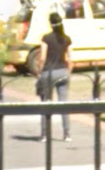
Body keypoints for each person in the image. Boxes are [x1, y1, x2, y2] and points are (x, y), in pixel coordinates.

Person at [36, 11, 72, 142]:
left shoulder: (46, 38)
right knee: (63, 104)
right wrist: (68, 72)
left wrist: (39, 72)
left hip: (49, 72)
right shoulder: (66, 39)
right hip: (62, 71)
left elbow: (42, 57)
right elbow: (69, 58)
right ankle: (67, 134)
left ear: (50, 23)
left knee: (45, 103)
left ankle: (44, 134)